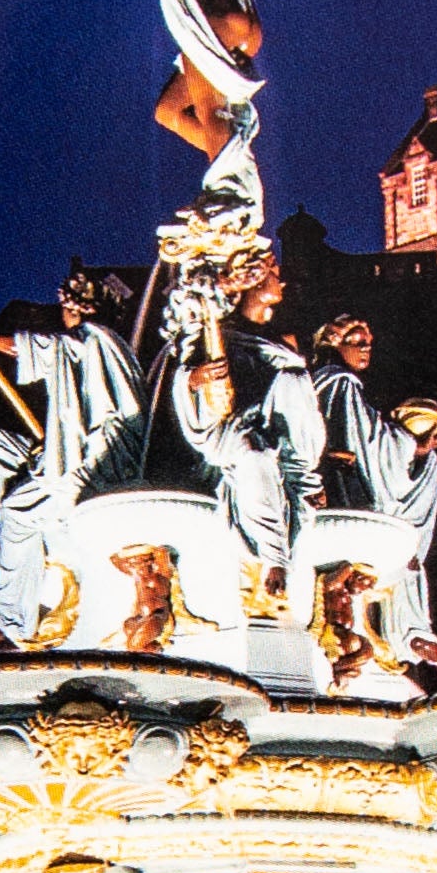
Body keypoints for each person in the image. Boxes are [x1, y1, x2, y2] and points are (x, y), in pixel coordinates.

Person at [0, 263, 145, 648]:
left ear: (76, 308)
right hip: (75, 453)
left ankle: (12, 620)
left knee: (15, 512)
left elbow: (50, 348)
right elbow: (51, 353)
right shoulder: (92, 342)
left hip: (93, 467)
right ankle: (32, 538)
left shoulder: (95, 339)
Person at [133, 0, 300, 218]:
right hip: (239, 25)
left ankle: (229, 192)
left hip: (217, 22)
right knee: (167, 111)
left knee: (210, 109)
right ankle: (230, 169)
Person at [170, 243, 319, 608]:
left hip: (281, 431)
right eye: (272, 272)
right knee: (252, 452)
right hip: (231, 430)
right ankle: (274, 558)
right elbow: (178, 374)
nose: (281, 278)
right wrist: (195, 379)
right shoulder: (220, 332)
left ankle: (301, 481)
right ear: (251, 283)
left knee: (294, 383)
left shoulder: (287, 342)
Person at [311, 313, 437, 673]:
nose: (366, 350)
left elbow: (371, 439)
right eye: (357, 342)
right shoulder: (339, 383)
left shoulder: (343, 386)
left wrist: (414, 450)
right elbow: (368, 443)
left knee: (409, 555)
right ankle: (411, 634)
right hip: (345, 485)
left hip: (357, 482)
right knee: (403, 549)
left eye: (368, 344)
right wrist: (410, 444)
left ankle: (413, 634)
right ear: (333, 343)